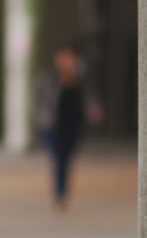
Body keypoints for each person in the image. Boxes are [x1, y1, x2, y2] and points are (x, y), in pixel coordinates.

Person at [34, 42, 102, 211]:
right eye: (64, 57)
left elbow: (88, 99)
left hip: (72, 125)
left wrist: (94, 112)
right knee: (58, 159)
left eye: (70, 57)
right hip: (53, 126)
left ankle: (62, 193)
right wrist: (41, 119)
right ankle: (60, 195)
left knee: (67, 159)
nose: (67, 60)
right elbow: (39, 99)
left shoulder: (80, 79)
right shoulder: (50, 77)